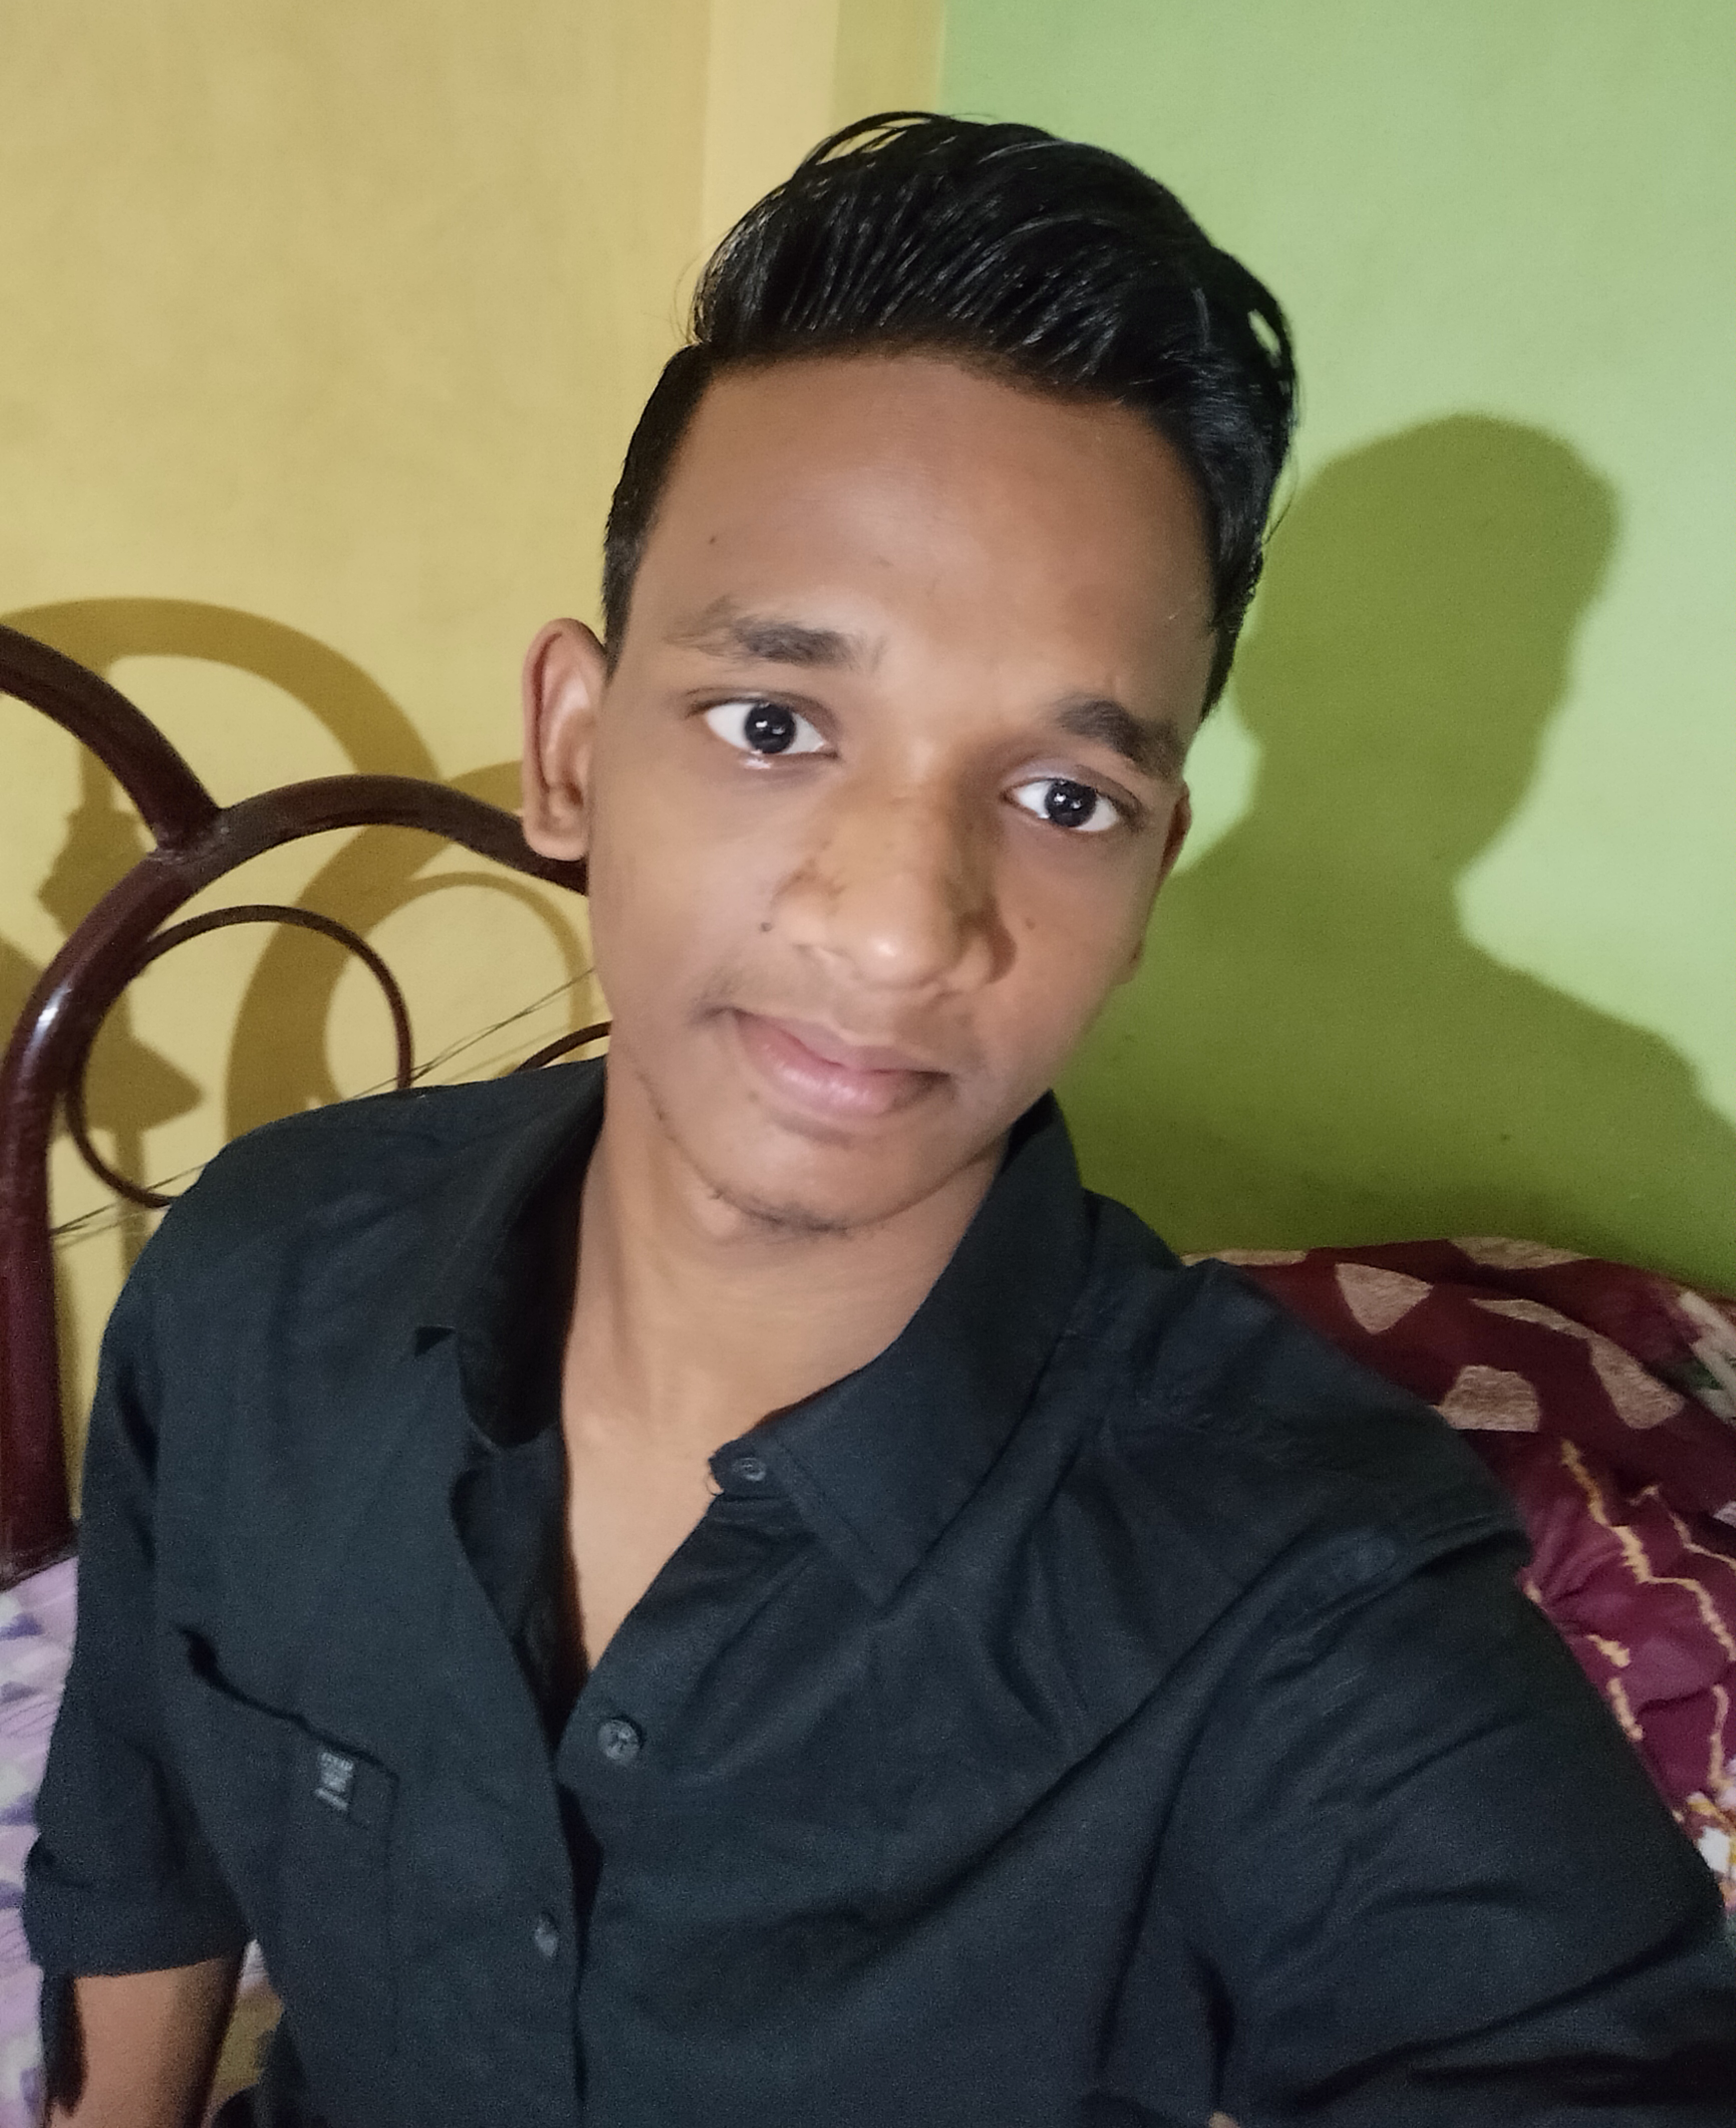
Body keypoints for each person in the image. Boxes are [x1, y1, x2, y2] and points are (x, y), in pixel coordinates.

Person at [25, 114, 1736, 2127]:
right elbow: (140, 1818)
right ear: (570, 751)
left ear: (1149, 875)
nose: (905, 927)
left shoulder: (1297, 1590)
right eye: (775, 724)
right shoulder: (256, 1279)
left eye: (1064, 796)